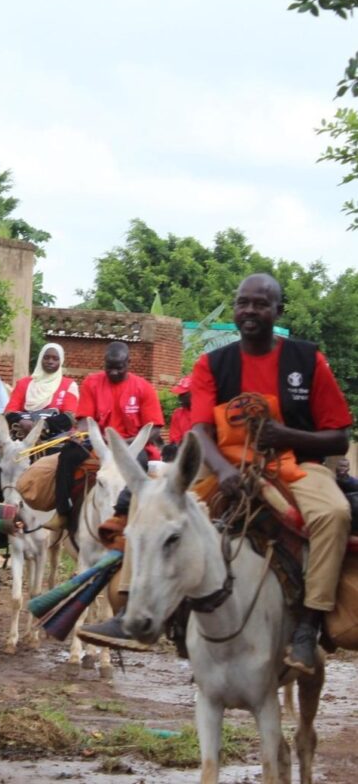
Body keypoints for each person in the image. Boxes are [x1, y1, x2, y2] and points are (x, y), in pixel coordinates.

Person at [191, 273, 351, 673]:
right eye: (243, 302)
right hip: (229, 470)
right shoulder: (212, 363)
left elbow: (338, 439)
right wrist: (224, 469)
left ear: (277, 311)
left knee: (335, 515)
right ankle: (146, 613)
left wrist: (285, 434)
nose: (249, 311)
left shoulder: (307, 360)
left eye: (260, 304)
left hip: (297, 468)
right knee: (159, 515)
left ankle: (308, 626)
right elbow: (199, 431)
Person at [54, 341, 164, 521]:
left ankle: (130, 515)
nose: (113, 372)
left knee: (139, 464)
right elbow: (84, 420)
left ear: (129, 363)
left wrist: (125, 444)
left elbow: (155, 429)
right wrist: (79, 435)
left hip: (132, 446)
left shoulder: (143, 387)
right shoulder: (92, 382)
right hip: (98, 444)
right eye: (109, 367)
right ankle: (62, 513)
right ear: (104, 363)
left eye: (119, 368)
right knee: (67, 455)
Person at [4, 342, 79, 439]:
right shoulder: (24, 383)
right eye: (46, 357)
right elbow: (9, 412)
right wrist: (21, 421)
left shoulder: (69, 385)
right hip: (22, 434)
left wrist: (43, 425)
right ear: (40, 359)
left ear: (61, 361)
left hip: (53, 438)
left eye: (55, 359)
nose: (50, 361)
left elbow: (70, 417)